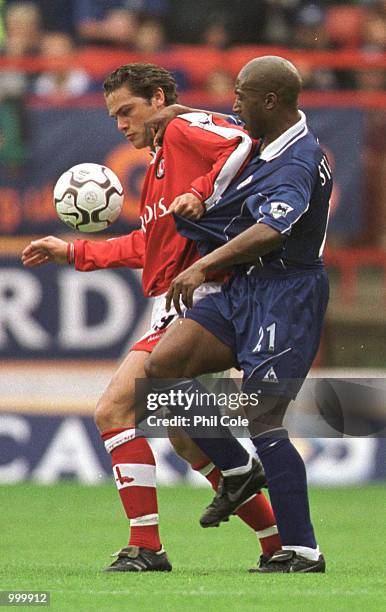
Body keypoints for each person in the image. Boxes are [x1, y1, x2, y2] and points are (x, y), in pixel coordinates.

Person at [22, 63, 281, 572]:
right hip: (184, 302)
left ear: (159, 97)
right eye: (113, 115)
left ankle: (146, 548)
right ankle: (280, 545)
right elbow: (151, 244)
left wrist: (203, 190)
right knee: (186, 434)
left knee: (114, 409)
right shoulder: (160, 163)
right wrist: (74, 252)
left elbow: (243, 140)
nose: (120, 123)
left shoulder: (184, 130)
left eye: (128, 110)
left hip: (206, 299)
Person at [145, 56, 332, 573]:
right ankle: (237, 468)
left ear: (269, 101)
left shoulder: (296, 161)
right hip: (247, 287)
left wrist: (202, 265)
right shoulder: (267, 136)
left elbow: (274, 230)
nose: (233, 104)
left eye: (242, 95)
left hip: (286, 294)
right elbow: (226, 127)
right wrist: (182, 110)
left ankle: (302, 550)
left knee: (263, 417)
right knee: (163, 368)